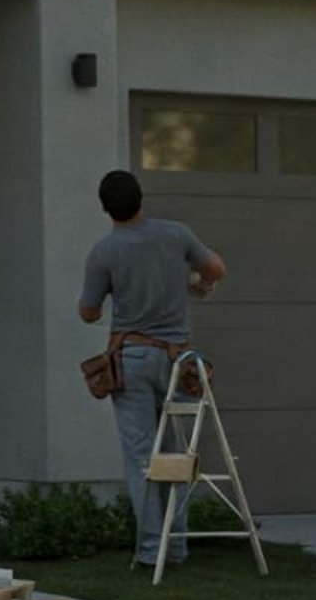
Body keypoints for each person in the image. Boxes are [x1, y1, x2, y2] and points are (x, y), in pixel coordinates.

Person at [77, 169, 226, 568]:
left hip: (133, 358)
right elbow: (216, 269)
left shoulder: (104, 251)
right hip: (179, 360)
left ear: (105, 209)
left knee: (142, 456)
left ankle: (149, 553)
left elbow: (88, 312)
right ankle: (176, 548)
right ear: (141, 199)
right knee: (176, 452)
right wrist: (194, 284)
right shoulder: (175, 235)